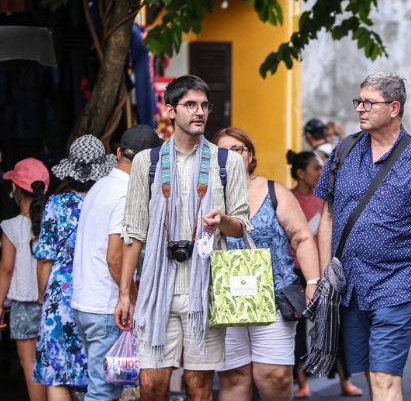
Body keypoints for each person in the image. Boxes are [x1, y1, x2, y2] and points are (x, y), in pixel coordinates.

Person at [314, 72, 411, 401]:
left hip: (398, 284)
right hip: (350, 287)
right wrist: (328, 277)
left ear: (394, 108)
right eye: (359, 101)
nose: (360, 109)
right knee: (371, 373)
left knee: (383, 375)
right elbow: (327, 218)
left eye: (369, 102)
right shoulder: (343, 152)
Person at [114, 75, 251, 401]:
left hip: (205, 291)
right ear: (171, 111)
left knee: (198, 387)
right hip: (155, 292)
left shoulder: (226, 162)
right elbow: (133, 231)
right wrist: (124, 294)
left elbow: (241, 226)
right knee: (150, 386)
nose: (199, 112)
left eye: (204, 105)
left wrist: (223, 221)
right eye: (190, 105)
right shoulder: (147, 163)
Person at [211, 128, 320, 401]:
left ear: (250, 155)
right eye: (222, 152)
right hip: (227, 302)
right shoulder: (207, 195)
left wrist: (312, 281)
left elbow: (302, 237)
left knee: (273, 375)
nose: (231, 156)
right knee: (234, 377)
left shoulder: (275, 191)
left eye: (237, 149)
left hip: (274, 297)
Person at [71, 125, 162, 401]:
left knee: (99, 386)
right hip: (107, 310)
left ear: (119, 152)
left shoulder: (100, 185)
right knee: (103, 391)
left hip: (85, 305)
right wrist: (133, 300)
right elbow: (115, 258)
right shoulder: (127, 195)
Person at [34, 135, 118, 401]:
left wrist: (42, 299)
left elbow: (45, 259)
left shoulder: (56, 204)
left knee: (57, 373)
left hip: (60, 296)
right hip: (97, 294)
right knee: (96, 376)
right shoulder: (108, 200)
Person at [285, 150, 362, 398]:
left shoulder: (325, 199)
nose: (321, 172)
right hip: (296, 274)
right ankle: (301, 383)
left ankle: (344, 381)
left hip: (325, 271)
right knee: (296, 332)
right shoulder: (289, 199)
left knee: (334, 326)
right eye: (316, 168)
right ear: (300, 173)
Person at [0, 158, 49, 401]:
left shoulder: (11, 226)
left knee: (30, 366)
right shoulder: (54, 224)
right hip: (50, 305)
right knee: (52, 366)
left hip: (21, 306)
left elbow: (6, 270)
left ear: (15, 189)